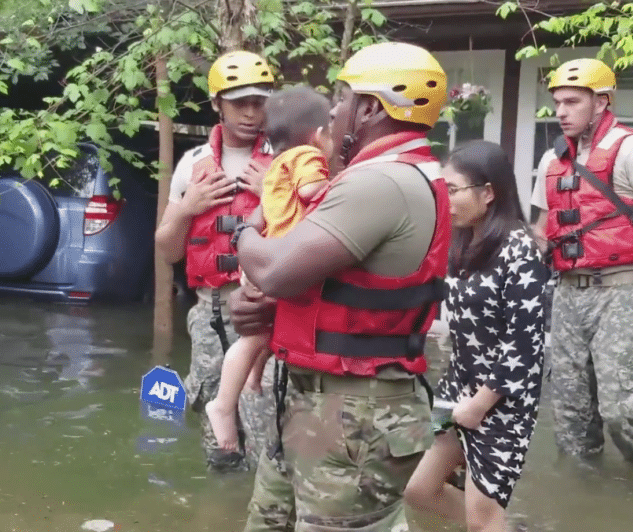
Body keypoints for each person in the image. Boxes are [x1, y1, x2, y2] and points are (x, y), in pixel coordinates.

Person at [227, 41, 450, 532]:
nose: (333, 110)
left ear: (371, 108)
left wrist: (244, 229)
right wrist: (269, 313)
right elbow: (316, 285)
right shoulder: (384, 176)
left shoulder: (381, 183)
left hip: (353, 415)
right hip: (322, 402)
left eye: (344, 97)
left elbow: (276, 270)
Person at [530, 58, 633, 474]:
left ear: (602, 102)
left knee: (623, 410)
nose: (561, 111)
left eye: (572, 101)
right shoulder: (550, 161)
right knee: (570, 415)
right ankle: (584, 498)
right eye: (557, 102)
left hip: (621, 290)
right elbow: (542, 229)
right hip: (566, 293)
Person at [404, 141, 549, 532]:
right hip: (459, 386)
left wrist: (482, 404)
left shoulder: (521, 249)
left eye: (453, 190)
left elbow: (525, 344)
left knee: (482, 517)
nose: (445, 199)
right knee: (419, 490)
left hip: (501, 400)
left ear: (488, 193)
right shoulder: (464, 242)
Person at [153, 50, 277, 473]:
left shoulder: (287, 160)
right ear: (216, 104)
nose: (250, 112)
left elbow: (316, 241)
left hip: (267, 313)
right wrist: (187, 208)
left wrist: (274, 196)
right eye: (239, 102)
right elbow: (167, 251)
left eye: (259, 102)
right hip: (209, 313)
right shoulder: (192, 166)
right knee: (218, 442)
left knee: (268, 431)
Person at [205, 85, 333, 451]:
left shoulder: (277, 163)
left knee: (265, 329)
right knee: (254, 338)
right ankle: (223, 404)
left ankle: (253, 380)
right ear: (319, 135)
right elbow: (312, 194)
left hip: (264, 254)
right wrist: (340, 189)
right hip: (280, 258)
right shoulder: (309, 156)